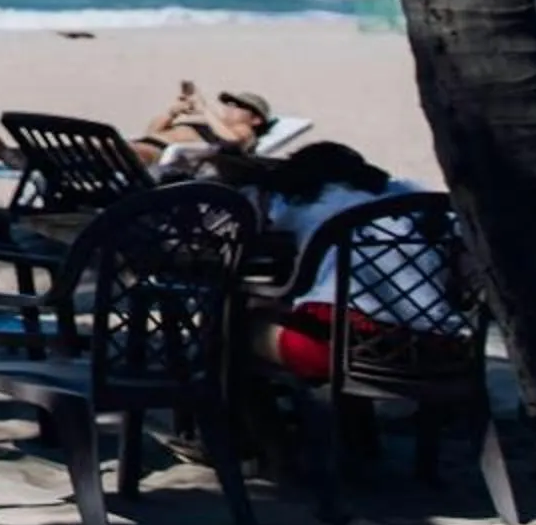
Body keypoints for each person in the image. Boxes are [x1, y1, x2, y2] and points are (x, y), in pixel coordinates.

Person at [247, 142, 438, 384]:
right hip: (440, 343)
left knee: (237, 325)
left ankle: (253, 416)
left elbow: (264, 234)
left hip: (351, 350)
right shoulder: (405, 198)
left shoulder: (306, 205)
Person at [131, 80, 274, 168]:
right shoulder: (213, 124)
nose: (230, 107)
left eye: (239, 105)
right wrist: (173, 112)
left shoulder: (243, 130)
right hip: (143, 145)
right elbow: (151, 132)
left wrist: (204, 109)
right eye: (229, 103)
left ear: (256, 120)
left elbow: (232, 140)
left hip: (159, 154)